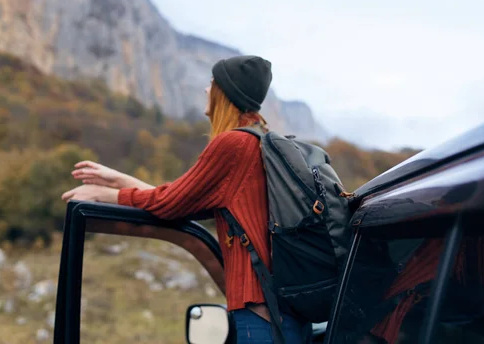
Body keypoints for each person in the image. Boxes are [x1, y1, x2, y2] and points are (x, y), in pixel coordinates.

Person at [62, 55, 310, 343]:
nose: (206, 90)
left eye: (212, 83)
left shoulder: (234, 144)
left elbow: (170, 203)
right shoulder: (258, 143)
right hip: (283, 316)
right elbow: (183, 199)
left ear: (225, 94)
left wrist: (107, 196)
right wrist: (119, 180)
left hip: (262, 316)